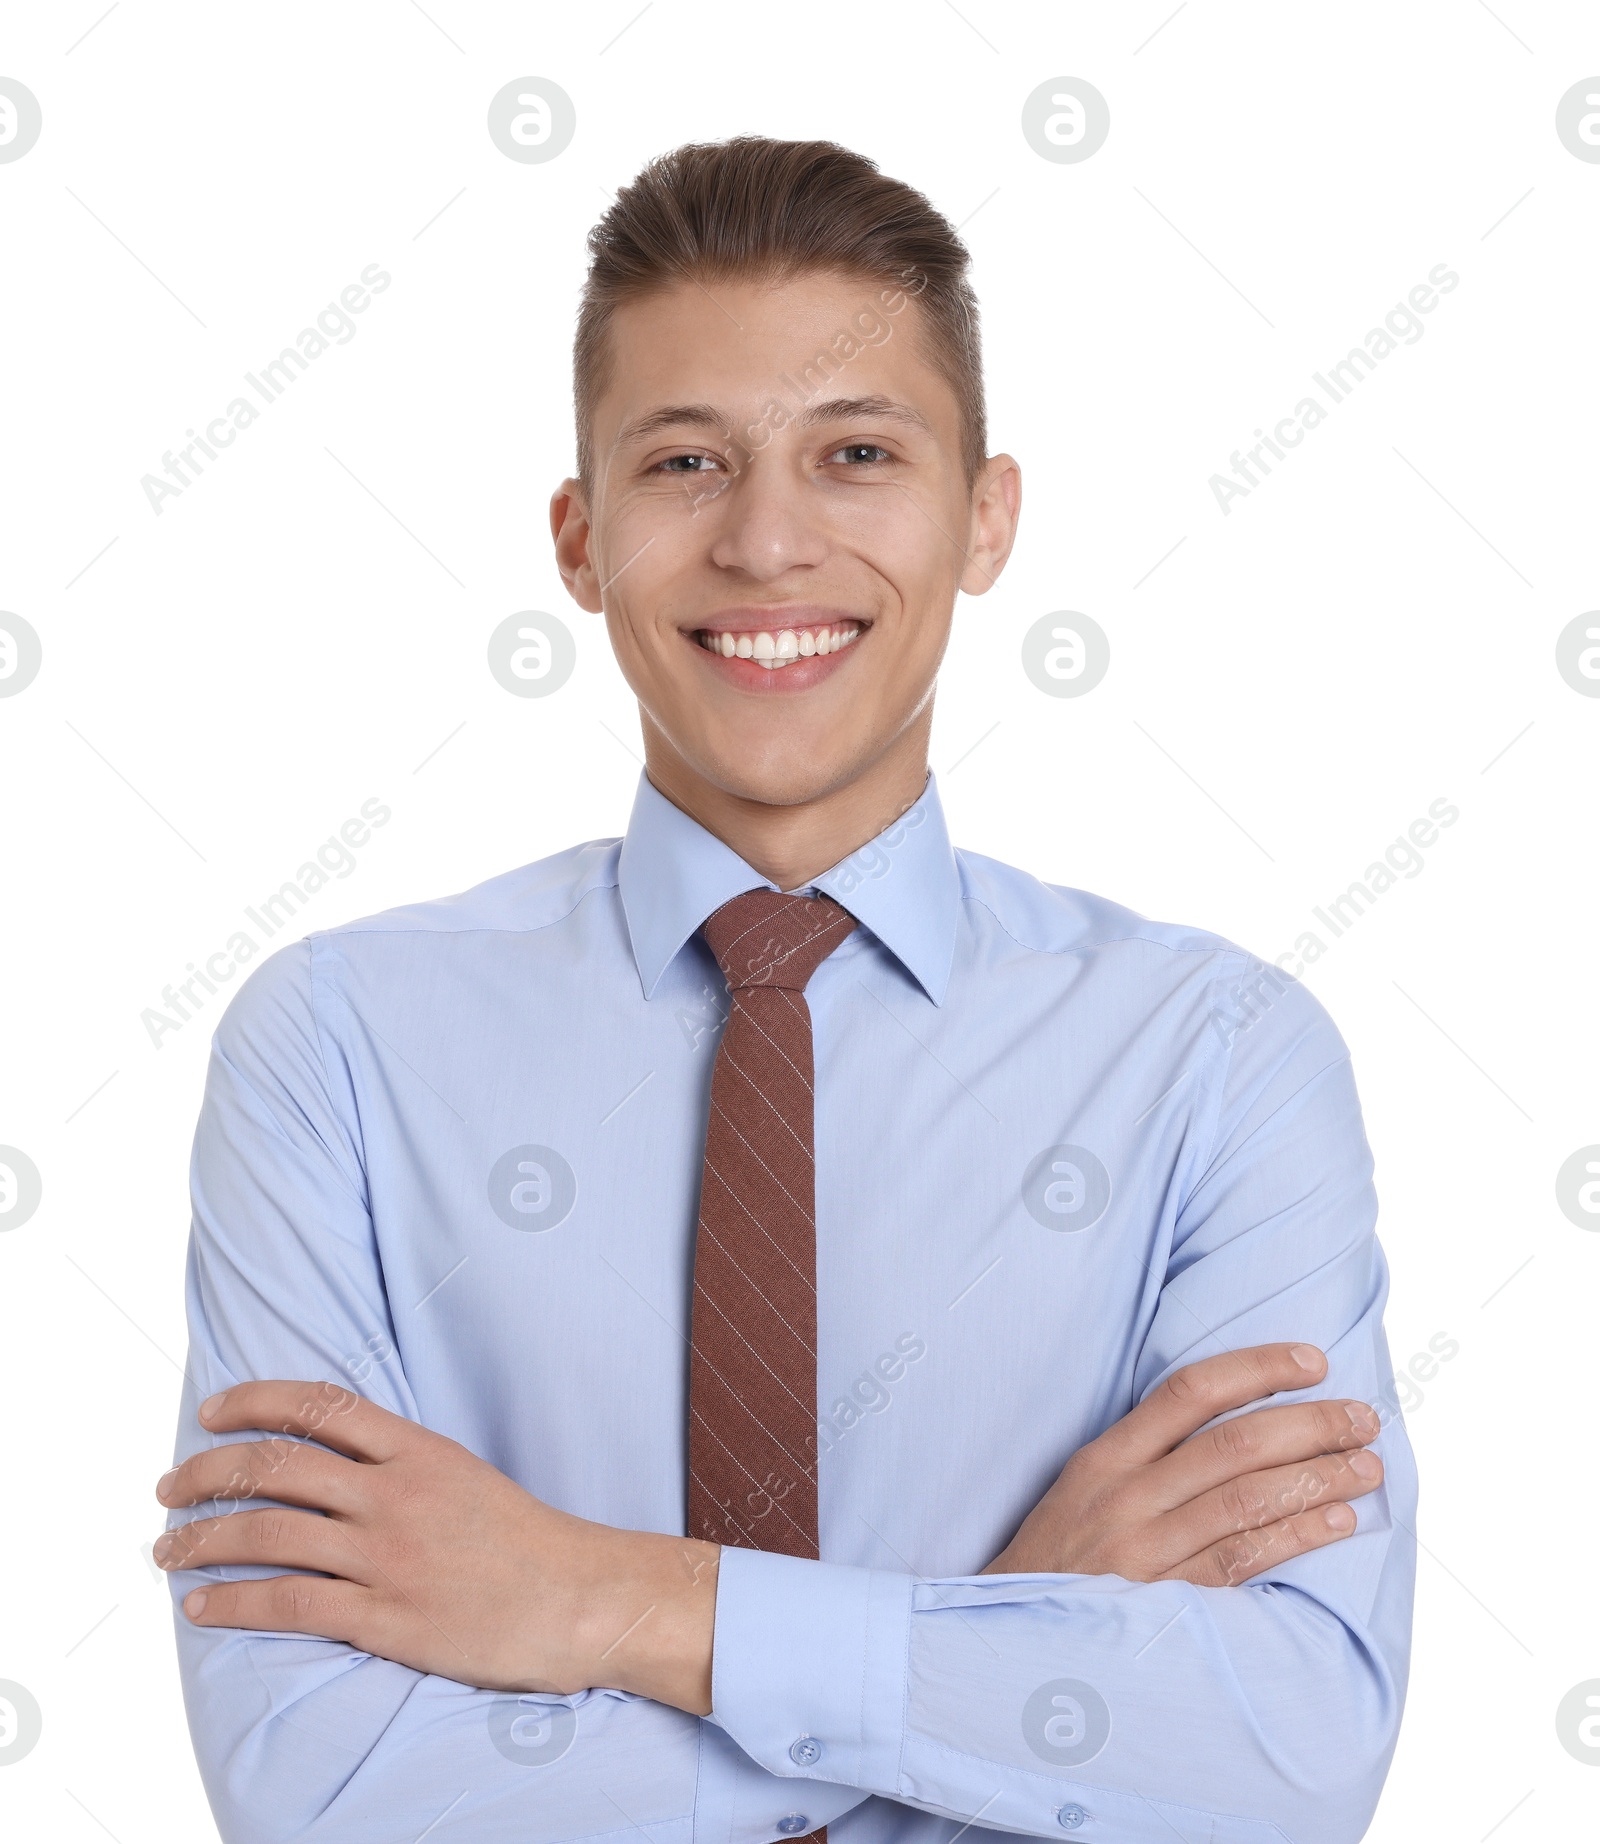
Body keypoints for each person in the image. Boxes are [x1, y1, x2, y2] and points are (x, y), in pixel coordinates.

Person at [153, 137, 1416, 1844]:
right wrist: (999, 1657)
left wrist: (604, 1603)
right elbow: (322, 1789)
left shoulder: (1219, 1062)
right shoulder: (336, 1048)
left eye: (858, 455)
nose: (766, 542)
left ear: (987, 518)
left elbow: (1284, 1759)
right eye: (687, 462)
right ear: (580, 539)